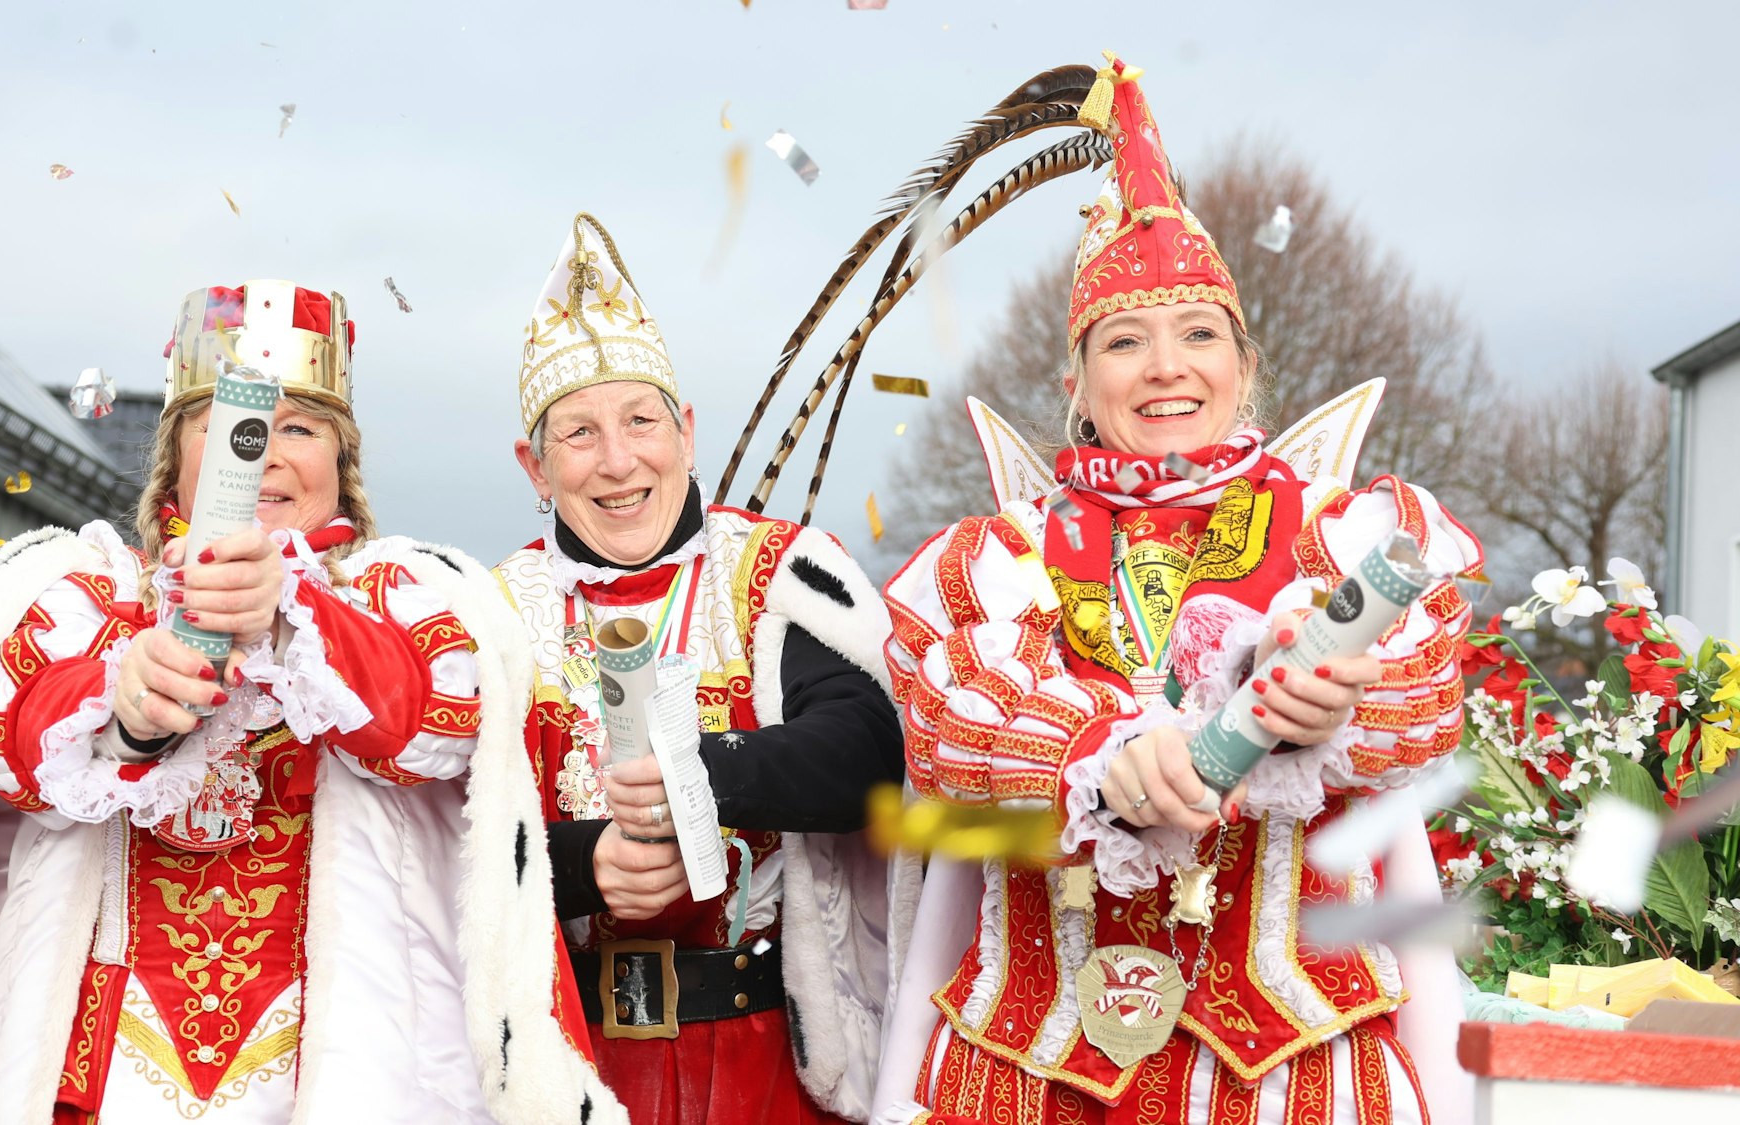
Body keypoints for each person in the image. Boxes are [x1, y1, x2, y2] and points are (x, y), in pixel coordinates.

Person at [875, 57, 1485, 1123]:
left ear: (1243, 368)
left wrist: (1333, 699)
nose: (1165, 367)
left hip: (1299, 1077)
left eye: (1198, 335)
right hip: (1023, 1080)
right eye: (1124, 341)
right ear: (1073, 384)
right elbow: (952, 723)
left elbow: (1427, 701)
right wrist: (1100, 755)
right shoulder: (999, 551)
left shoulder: (1340, 532)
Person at [0, 281, 524, 1122]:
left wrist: (290, 608)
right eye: (231, 425)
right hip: (111, 1068)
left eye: (300, 428)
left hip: (343, 1070)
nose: (265, 452)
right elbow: (5, 738)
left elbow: (435, 721)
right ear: (177, 455)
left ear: (341, 463)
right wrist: (126, 706)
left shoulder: (405, 597)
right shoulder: (90, 594)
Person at [485, 213, 904, 1124]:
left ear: (685, 428)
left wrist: (708, 776)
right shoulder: (495, 610)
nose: (620, 460)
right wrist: (582, 863)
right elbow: (450, 833)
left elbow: (869, 748)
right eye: (579, 434)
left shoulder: (774, 574)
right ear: (534, 463)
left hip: (766, 1065)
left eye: (642, 421)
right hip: (567, 1070)